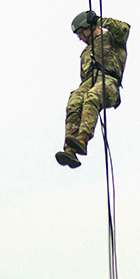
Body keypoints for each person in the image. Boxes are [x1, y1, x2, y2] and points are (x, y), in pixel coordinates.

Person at [55, 9, 131, 168]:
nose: (81, 38)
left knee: (92, 96)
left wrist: (98, 20)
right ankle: (70, 150)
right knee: (74, 101)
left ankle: (82, 138)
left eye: (81, 33)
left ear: (89, 27)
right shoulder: (85, 52)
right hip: (89, 82)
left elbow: (123, 28)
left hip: (108, 81)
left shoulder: (111, 38)